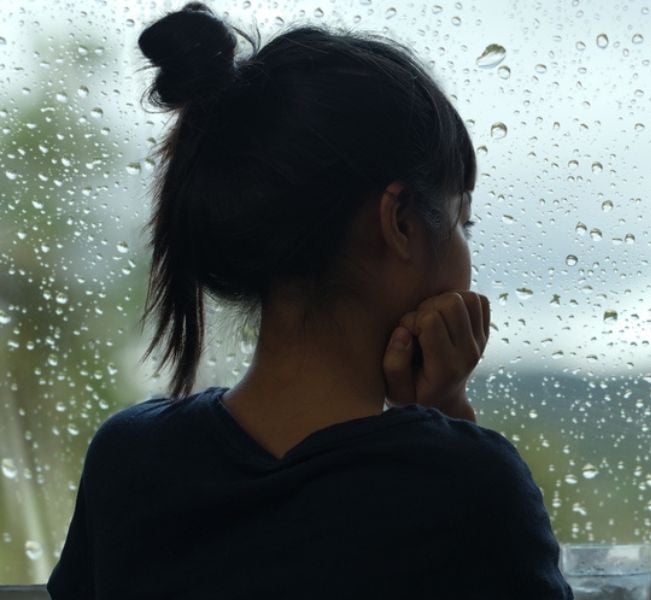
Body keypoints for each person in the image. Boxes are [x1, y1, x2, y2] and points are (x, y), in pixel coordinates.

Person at [45, 3, 573, 598]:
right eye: (460, 223)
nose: (465, 257)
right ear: (398, 221)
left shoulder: (129, 457)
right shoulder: (469, 486)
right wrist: (449, 419)